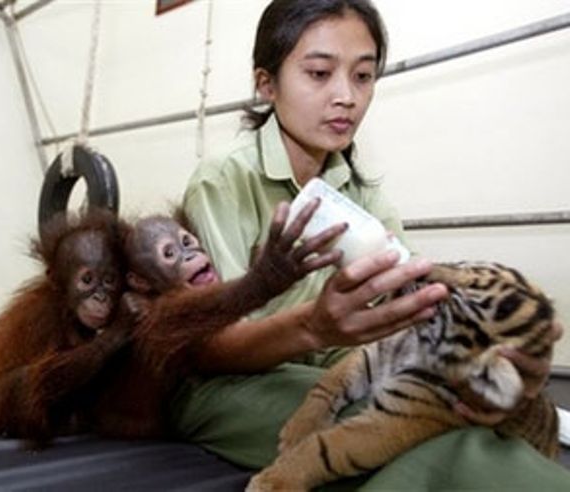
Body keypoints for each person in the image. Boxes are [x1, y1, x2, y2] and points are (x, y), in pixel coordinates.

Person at [172, 0, 569, 489]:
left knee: (458, 423)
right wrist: (314, 327)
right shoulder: (223, 180)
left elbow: (404, 315)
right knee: (424, 440)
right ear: (266, 84)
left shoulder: (361, 193)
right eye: (319, 73)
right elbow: (207, 348)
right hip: (227, 384)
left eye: (363, 77)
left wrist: (498, 373)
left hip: (334, 369)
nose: (347, 97)